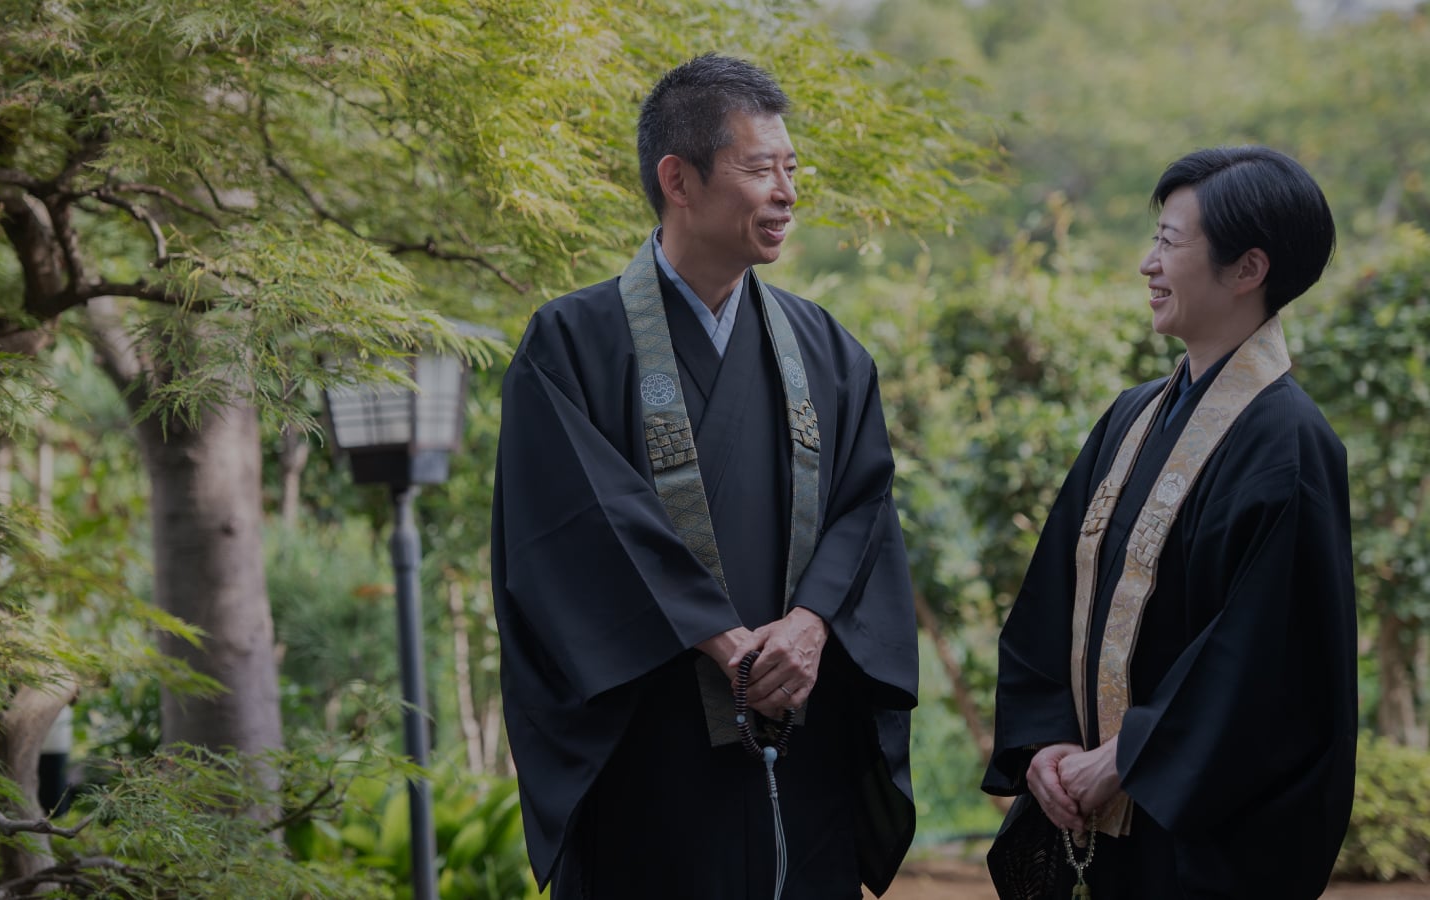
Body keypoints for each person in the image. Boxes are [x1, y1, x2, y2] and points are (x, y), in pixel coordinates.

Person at [491, 54, 920, 899]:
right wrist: (728, 649)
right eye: (760, 169)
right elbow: (584, 524)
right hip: (650, 755)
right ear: (677, 179)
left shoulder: (830, 350)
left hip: (800, 735)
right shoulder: (570, 344)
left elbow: (865, 505)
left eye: (791, 169)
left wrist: (807, 628)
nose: (786, 191)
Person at [982, 146, 1358, 899]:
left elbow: (1260, 663)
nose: (1148, 264)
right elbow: (1051, 597)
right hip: (1082, 810)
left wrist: (1125, 761)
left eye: (1169, 241)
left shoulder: (1289, 446)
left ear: (1248, 269)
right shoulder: (1131, 417)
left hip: (1196, 841)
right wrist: (1050, 747)